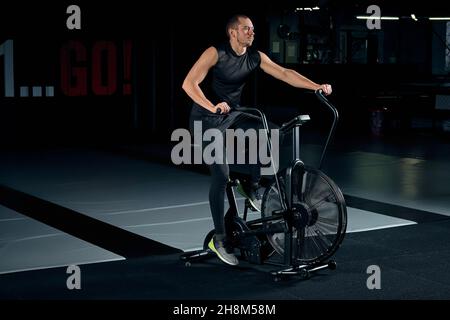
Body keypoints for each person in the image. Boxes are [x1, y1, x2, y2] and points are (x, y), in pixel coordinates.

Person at [182, 14, 332, 266]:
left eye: (252, 29)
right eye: (246, 29)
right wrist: (212, 106)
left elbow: (284, 73)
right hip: (206, 118)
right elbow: (189, 84)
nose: (252, 33)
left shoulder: (254, 57)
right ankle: (218, 239)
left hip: (232, 114)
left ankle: (250, 184)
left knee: (270, 131)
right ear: (233, 33)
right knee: (220, 174)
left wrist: (315, 85)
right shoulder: (215, 52)